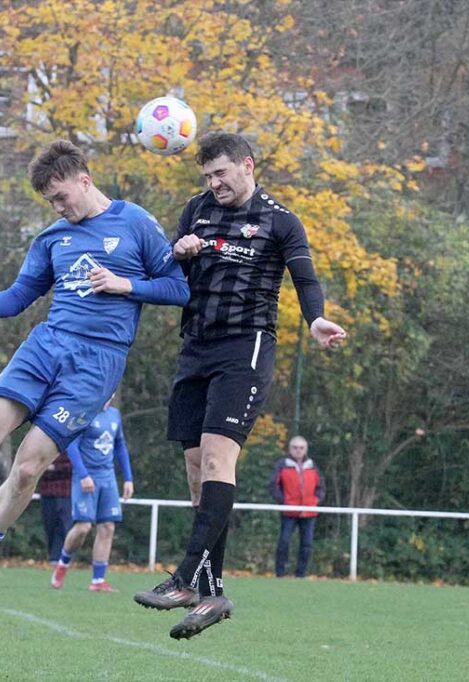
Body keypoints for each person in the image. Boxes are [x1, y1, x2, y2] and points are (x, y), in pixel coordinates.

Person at [0, 140, 189, 611]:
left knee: (28, 467)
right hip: (46, 345)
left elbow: (180, 288)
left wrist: (124, 285)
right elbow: (18, 296)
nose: (57, 207)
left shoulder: (135, 223)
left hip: (97, 364)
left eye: (59, 197)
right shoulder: (53, 238)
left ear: (83, 181)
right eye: (49, 202)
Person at [134, 132, 347, 640]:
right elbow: (166, 272)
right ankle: (211, 593)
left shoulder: (281, 220)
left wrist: (316, 320)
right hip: (195, 347)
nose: (214, 183)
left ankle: (185, 578)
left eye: (221, 173)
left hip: (244, 349)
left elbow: (306, 280)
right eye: (207, 176)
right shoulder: (196, 210)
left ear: (247, 166)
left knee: (215, 460)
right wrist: (177, 251)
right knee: (194, 471)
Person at [50, 397, 133, 593]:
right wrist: (83, 474)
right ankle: (63, 563)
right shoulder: (85, 411)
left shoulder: (114, 415)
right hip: (86, 477)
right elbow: (72, 445)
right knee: (83, 527)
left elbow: (120, 446)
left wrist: (128, 478)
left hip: (108, 477)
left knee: (108, 527)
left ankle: (97, 580)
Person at [269, 436, 325, 578]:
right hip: (289, 512)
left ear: (305, 449)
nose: (298, 450)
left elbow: (321, 487)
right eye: (295, 447)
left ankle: (301, 574)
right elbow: (273, 486)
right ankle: (280, 574)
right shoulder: (282, 465)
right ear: (290, 448)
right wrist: (284, 502)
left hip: (309, 512)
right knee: (284, 542)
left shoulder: (312, 466)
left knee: (307, 544)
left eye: (301, 447)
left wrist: (315, 501)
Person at [39, 451, 73, 562]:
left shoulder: (71, 447)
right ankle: (53, 557)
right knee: (50, 525)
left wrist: (54, 468)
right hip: (47, 494)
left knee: (64, 527)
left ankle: (63, 557)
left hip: (66, 494)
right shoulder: (45, 447)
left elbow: (72, 467)